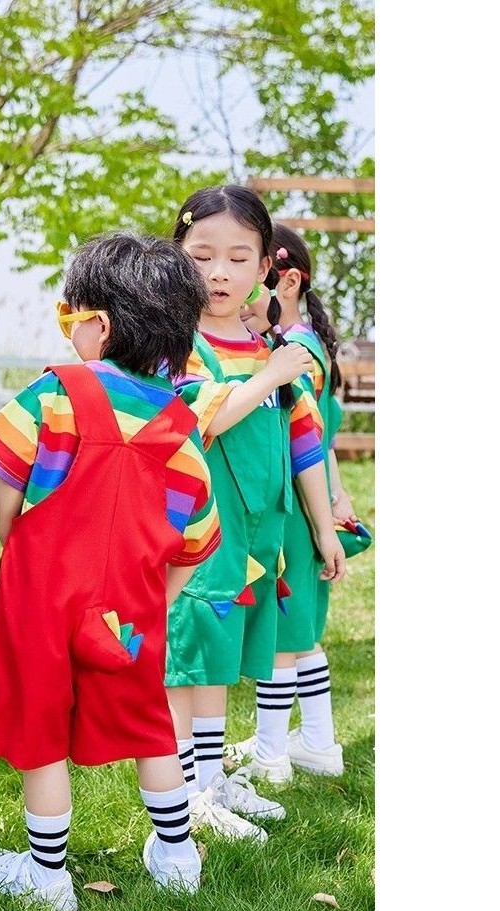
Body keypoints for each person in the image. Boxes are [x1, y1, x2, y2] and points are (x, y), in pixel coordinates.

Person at [0, 233, 221, 911]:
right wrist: (153, 599)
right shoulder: (180, 428)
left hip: (40, 599)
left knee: (42, 732)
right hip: (130, 608)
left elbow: (8, 486)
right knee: (149, 723)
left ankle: (48, 875)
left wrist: (16, 538)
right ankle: (177, 856)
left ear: (98, 326)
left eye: (67, 316)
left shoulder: (58, 393)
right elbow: (197, 540)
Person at [165, 186, 347, 842]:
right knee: (188, 658)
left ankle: (210, 779)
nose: (219, 273)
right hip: (197, 536)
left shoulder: (270, 347)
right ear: (176, 258)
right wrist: (270, 374)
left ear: (265, 267)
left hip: (258, 537)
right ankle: (181, 792)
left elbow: (306, 444)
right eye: (201, 255)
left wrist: (323, 528)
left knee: (219, 661)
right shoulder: (175, 346)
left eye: (239, 258)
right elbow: (200, 420)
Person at [229, 223, 358, 779]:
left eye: (253, 278)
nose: (239, 298)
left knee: (283, 634)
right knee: (302, 631)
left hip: (296, 511)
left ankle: (271, 755)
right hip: (313, 507)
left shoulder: (292, 351)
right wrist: (337, 492)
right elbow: (323, 439)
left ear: (285, 281)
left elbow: (305, 439)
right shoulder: (311, 344)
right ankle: (318, 743)